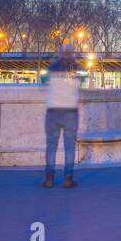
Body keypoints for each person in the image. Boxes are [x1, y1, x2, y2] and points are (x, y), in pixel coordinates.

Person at [41, 44, 82, 188]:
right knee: (69, 147)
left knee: (51, 146)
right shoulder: (78, 69)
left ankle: (49, 179)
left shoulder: (52, 68)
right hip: (70, 110)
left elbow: (43, 80)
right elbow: (83, 82)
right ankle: (68, 179)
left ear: (60, 54)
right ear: (73, 54)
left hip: (53, 110)